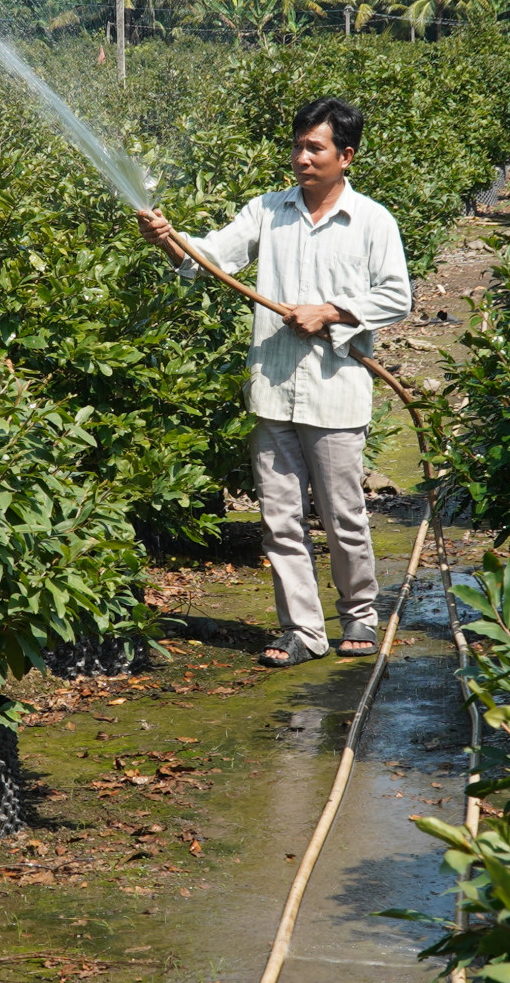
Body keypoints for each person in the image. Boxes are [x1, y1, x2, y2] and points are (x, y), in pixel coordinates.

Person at [136, 97, 412, 668]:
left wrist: (330, 312)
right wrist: (169, 238)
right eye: (298, 147)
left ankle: (359, 614)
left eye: (316, 148)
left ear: (346, 156)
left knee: (342, 516)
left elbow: (395, 296)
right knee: (280, 519)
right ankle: (302, 631)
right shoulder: (267, 211)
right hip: (273, 389)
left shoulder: (372, 221)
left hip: (336, 392)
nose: (302, 158)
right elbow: (211, 257)